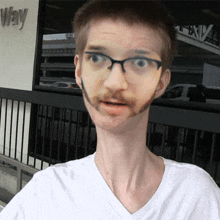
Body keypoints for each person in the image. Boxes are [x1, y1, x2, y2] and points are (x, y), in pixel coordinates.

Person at [1, 1, 220, 219]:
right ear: (79, 71)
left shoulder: (196, 197)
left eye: (140, 63)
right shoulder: (44, 195)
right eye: (97, 58)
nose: (115, 83)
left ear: (161, 83)